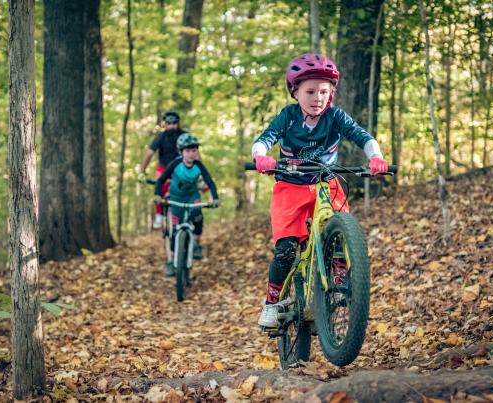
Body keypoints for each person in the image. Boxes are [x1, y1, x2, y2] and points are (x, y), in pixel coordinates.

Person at [251, 53, 389, 328]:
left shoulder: (335, 117)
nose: (318, 97)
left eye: (324, 91)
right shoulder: (288, 117)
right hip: (290, 185)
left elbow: (363, 136)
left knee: (338, 230)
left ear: (331, 93)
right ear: (295, 92)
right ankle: (272, 301)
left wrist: (375, 157)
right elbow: (264, 139)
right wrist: (261, 157)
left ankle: (339, 275)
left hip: (326, 183)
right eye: (310, 91)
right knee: (286, 249)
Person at [154, 133, 219, 276]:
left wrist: (215, 198)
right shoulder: (175, 164)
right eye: (187, 151)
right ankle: (172, 261)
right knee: (175, 230)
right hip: (176, 198)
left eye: (194, 151)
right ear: (181, 152)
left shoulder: (199, 166)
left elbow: (209, 181)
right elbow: (161, 180)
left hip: (192, 197)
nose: (191, 154)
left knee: (197, 214)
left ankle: (196, 243)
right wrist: (157, 195)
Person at [139, 111, 186, 229]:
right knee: (158, 185)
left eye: (174, 123)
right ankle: (159, 214)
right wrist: (142, 171)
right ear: (165, 124)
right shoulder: (161, 136)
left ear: (178, 123)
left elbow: (196, 154)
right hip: (164, 167)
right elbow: (149, 153)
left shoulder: (184, 135)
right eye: (169, 123)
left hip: (181, 167)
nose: (171, 126)